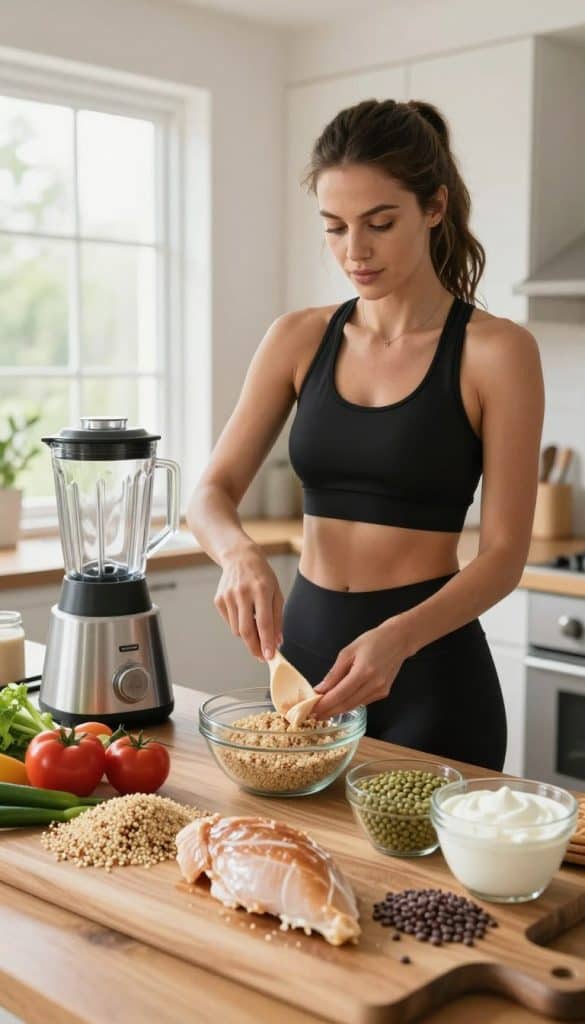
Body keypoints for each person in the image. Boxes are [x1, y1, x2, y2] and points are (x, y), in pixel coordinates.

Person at [186, 98, 544, 771]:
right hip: (307, 659)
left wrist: (399, 639)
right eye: (334, 227)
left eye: (380, 223)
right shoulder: (297, 337)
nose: (354, 250)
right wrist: (237, 554)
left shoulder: (497, 352)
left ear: (433, 208)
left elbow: (503, 556)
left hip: (430, 667)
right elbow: (209, 493)